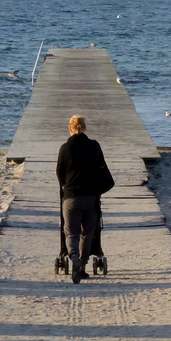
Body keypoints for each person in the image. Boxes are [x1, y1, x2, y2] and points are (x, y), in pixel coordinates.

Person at [56, 114, 114, 283]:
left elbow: (60, 174)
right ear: (84, 128)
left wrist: (67, 187)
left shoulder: (64, 148)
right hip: (91, 197)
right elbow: (102, 170)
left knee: (70, 233)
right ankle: (82, 265)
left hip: (71, 198)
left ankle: (73, 258)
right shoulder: (94, 146)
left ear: (70, 128)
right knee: (87, 233)